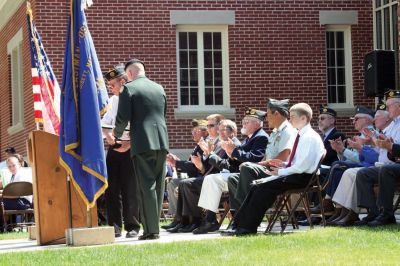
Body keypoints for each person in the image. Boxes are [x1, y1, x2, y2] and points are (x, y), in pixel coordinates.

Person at [222, 103, 325, 236]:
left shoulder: (309, 137)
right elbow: (297, 162)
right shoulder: (302, 135)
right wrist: (284, 164)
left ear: (304, 119)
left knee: (263, 187)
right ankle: (242, 224)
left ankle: (247, 227)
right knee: (256, 185)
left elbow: (303, 166)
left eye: (293, 116)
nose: (290, 119)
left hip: (303, 177)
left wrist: (281, 171)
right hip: (295, 173)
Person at [114, 58, 169, 240]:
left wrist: (117, 133)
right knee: (159, 186)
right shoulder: (159, 88)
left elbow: (123, 117)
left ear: (129, 73)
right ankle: (154, 227)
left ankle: (151, 230)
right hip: (161, 142)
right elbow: (163, 114)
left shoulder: (129, 88)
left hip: (143, 142)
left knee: (146, 187)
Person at [226, 99, 297, 223]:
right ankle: (239, 218)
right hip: (269, 169)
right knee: (233, 179)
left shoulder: (288, 131)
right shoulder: (276, 131)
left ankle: (248, 220)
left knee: (247, 168)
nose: (266, 118)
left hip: (278, 171)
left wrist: (259, 164)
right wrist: (259, 163)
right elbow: (267, 155)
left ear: (277, 114)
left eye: (268, 114)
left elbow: (284, 156)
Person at [329, 105, 392, 226]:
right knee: (340, 166)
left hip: (375, 167)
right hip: (374, 167)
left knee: (342, 168)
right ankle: (343, 211)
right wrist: (341, 151)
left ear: (366, 120)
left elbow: (370, 158)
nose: (353, 121)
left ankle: (347, 211)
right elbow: (359, 157)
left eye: (356, 119)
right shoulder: (371, 134)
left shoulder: (372, 133)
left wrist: (359, 148)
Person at [165, 114, 225, 233]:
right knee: (176, 183)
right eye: (207, 126)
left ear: (219, 127)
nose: (208, 129)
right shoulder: (207, 143)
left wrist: (178, 163)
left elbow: (210, 167)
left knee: (185, 184)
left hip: (215, 180)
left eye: (210, 126)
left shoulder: (220, 143)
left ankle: (194, 220)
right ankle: (182, 220)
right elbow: (202, 167)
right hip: (205, 177)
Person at [102, 65, 140, 238]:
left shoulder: (134, 97)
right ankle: (114, 227)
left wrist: (130, 143)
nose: (110, 88)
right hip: (115, 146)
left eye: (112, 85)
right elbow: (105, 122)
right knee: (111, 188)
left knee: (130, 188)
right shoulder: (114, 100)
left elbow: (140, 124)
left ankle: (132, 226)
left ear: (123, 81)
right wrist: (108, 135)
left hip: (131, 146)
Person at [356, 90, 400, 226]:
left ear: (398, 106)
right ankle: (373, 212)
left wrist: (390, 146)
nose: (387, 109)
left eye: (389, 106)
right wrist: (382, 143)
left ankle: (387, 214)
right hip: (394, 163)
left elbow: (393, 148)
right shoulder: (393, 124)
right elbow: (391, 150)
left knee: (386, 170)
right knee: (363, 173)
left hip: (393, 166)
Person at [164, 119, 208, 219]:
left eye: (196, 131)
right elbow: (192, 165)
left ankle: (187, 219)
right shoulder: (198, 146)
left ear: (205, 132)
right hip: (193, 177)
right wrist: (177, 162)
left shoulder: (205, 145)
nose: (193, 134)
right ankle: (177, 218)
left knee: (178, 184)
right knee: (173, 183)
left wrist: (177, 163)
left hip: (200, 178)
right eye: (192, 131)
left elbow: (197, 167)